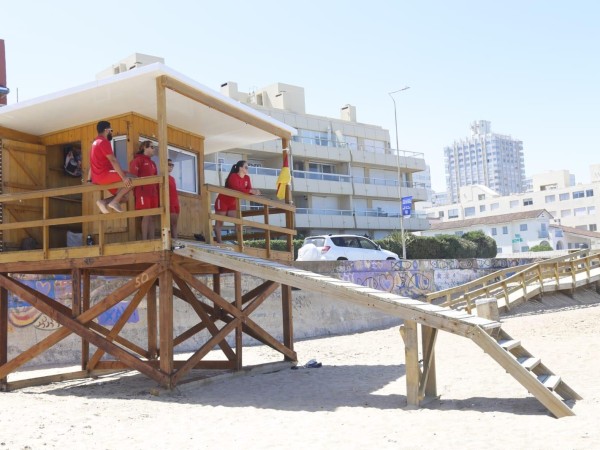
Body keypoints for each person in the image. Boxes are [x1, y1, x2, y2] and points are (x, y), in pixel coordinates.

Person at [90, 120, 133, 213]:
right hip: (104, 175)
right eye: (111, 130)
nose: (111, 133)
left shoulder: (95, 142)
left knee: (124, 197)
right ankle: (114, 201)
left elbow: (91, 163)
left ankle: (103, 202)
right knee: (133, 178)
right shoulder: (103, 141)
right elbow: (113, 160)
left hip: (98, 178)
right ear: (106, 130)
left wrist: (88, 180)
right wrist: (124, 177)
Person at [214, 160, 260, 243]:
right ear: (240, 168)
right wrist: (251, 191)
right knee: (220, 222)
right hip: (223, 200)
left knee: (238, 221)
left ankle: (239, 242)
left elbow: (248, 190)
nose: (247, 169)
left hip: (233, 203)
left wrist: (255, 192)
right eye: (246, 167)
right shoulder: (233, 176)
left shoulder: (247, 178)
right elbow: (237, 189)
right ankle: (219, 241)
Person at [129, 141, 159, 240]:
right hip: (142, 193)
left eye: (154, 147)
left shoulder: (153, 163)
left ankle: (152, 240)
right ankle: (145, 241)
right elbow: (132, 176)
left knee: (152, 217)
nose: (153, 149)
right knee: (146, 215)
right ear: (144, 148)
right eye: (151, 147)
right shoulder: (138, 160)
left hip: (153, 193)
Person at [168, 158, 180, 239]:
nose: (171, 166)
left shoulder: (172, 178)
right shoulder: (164, 177)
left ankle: (175, 240)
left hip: (176, 203)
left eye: (172, 165)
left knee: (175, 223)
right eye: (169, 164)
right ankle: (174, 240)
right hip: (170, 203)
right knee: (172, 223)